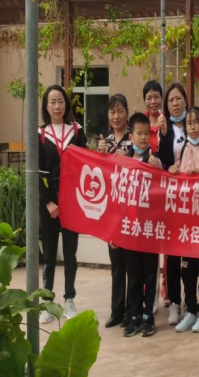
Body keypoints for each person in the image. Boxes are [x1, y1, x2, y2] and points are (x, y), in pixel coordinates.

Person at [38, 85, 87, 324]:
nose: (57, 106)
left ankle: (69, 300)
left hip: (71, 204)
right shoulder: (40, 134)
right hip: (49, 205)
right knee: (49, 256)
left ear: (66, 104)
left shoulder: (77, 131)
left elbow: (87, 164)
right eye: (52, 102)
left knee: (70, 254)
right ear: (46, 107)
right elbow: (36, 172)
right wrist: (48, 202)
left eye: (60, 101)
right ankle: (47, 303)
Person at [170, 107, 199, 335]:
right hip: (186, 219)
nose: (192, 126)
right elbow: (177, 173)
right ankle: (190, 309)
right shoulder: (182, 148)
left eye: (196, 122)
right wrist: (174, 170)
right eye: (189, 123)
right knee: (186, 267)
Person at [122, 112, 162, 337]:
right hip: (130, 229)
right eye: (139, 133)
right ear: (131, 136)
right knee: (133, 275)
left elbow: (164, 188)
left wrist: (158, 167)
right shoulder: (123, 161)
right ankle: (135, 315)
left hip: (150, 228)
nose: (143, 137)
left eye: (147, 133)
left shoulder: (154, 160)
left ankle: (148, 316)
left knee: (149, 274)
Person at [99, 94, 132, 329]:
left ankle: (131, 310)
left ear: (127, 113)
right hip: (112, 212)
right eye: (112, 112)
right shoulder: (105, 142)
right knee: (117, 265)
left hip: (131, 211)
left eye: (120, 111)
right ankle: (116, 310)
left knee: (132, 265)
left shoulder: (134, 139)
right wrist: (101, 155)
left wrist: (127, 158)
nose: (116, 116)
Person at [157, 82, 189, 325]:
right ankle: (175, 303)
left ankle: (192, 301)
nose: (175, 103)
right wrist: (165, 133)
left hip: (193, 200)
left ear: (186, 100)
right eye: (171, 100)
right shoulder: (164, 130)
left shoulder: (194, 123)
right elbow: (165, 161)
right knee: (173, 255)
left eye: (179, 98)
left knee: (191, 255)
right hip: (172, 200)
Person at [143, 80, 164, 154]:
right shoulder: (141, 123)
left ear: (161, 98)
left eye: (156, 97)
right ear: (144, 101)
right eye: (149, 98)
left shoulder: (168, 121)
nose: (153, 102)